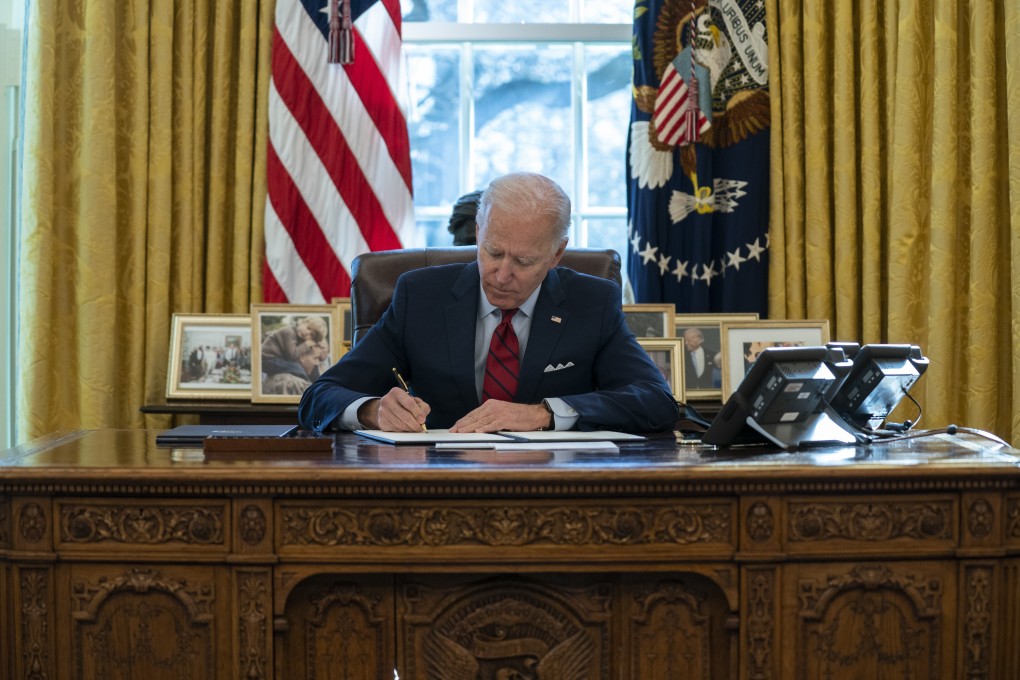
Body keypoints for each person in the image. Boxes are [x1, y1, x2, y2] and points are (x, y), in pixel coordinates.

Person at [298, 171, 679, 433]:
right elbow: (319, 397)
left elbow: (655, 402)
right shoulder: (420, 297)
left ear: (556, 254)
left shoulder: (591, 303)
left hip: (554, 487)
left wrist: (544, 414)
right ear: (479, 233)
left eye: (524, 261)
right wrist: (371, 410)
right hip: (438, 485)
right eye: (493, 252)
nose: (501, 274)